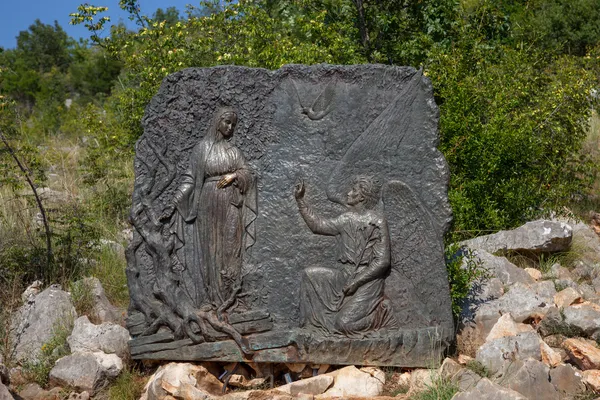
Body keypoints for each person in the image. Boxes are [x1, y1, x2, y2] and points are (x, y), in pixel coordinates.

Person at [166, 107, 257, 309]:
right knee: (209, 249)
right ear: (217, 121)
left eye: (233, 124)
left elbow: (249, 172)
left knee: (230, 248)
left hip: (231, 204)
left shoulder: (234, 152)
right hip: (207, 203)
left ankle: (229, 296)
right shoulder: (202, 149)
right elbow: (189, 178)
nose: (230, 127)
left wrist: (234, 176)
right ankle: (210, 299)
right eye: (227, 122)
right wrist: (175, 200)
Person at [294, 176, 397, 337]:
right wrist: (300, 201)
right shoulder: (345, 219)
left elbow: (383, 261)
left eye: (353, 190)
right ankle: (310, 329)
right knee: (309, 275)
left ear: (362, 197)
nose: (348, 193)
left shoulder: (376, 221)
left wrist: (357, 282)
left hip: (367, 282)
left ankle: (381, 314)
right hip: (344, 276)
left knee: (343, 324)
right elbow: (317, 226)